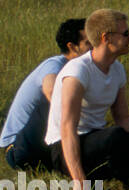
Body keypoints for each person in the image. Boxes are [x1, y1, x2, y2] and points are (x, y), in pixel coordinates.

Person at [45, 9, 129, 190]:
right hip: (64, 148)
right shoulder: (78, 71)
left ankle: (118, 181)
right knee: (117, 138)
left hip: (99, 141)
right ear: (107, 38)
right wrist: (79, 181)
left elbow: (123, 118)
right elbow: (67, 128)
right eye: (126, 33)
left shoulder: (117, 69)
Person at [3, 18, 89, 171]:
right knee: (55, 105)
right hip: (17, 148)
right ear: (72, 47)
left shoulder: (81, 71)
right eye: (88, 43)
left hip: (41, 148)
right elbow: (51, 91)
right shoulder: (55, 65)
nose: (94, 48)